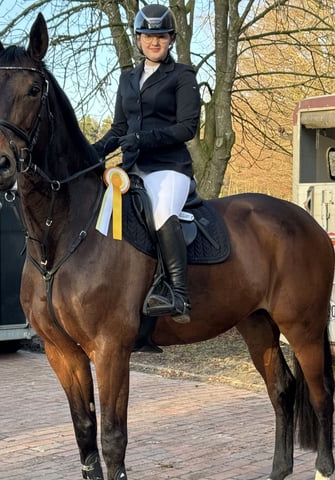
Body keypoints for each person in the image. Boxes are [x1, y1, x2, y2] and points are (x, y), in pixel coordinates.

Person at [93, 4, 201, 324]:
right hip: (131, 171)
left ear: (171, 39)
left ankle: (178, 293)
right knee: (102, 218)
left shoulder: (182, 76)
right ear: (138, 39)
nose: (155, 42)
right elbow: (119, 128)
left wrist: (143, 140)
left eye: (162, 36)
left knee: (162, 210)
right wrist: (95, 151)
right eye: (149, 36)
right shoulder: (127, 79)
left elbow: (187, 128)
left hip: (169, 168)